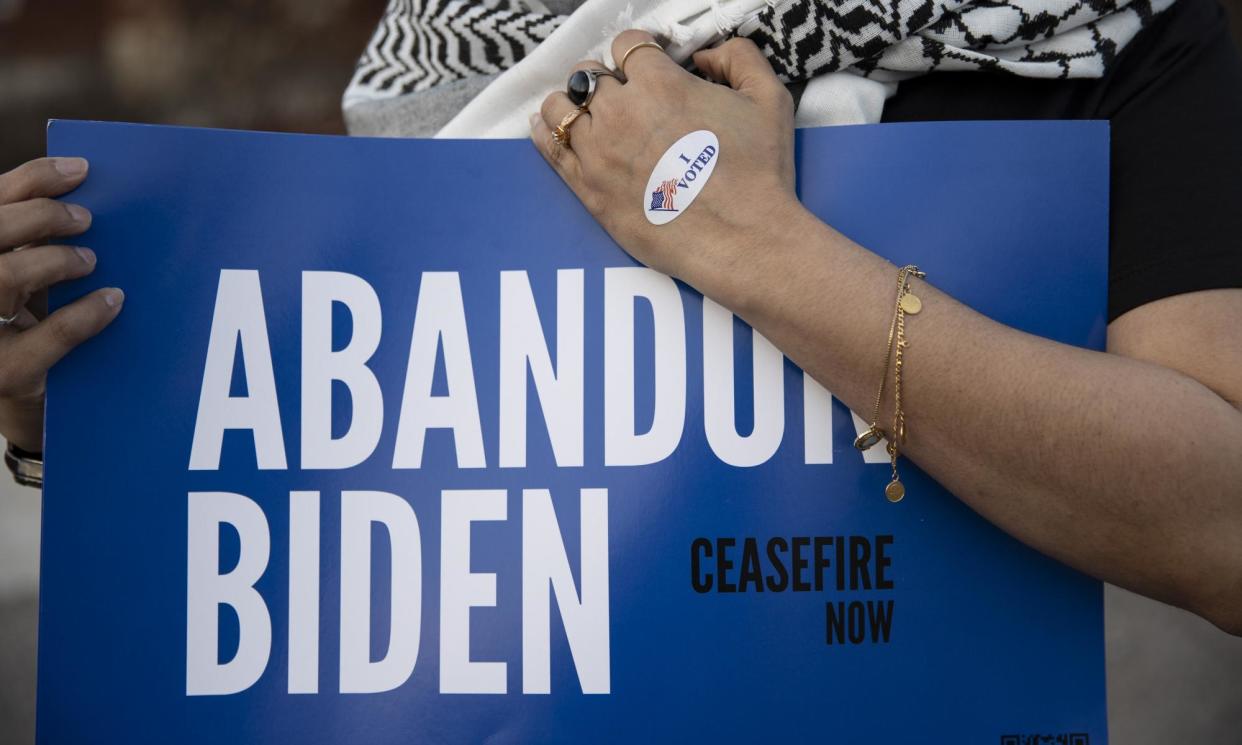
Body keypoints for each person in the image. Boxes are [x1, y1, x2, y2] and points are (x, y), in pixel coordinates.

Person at [1, 0, 1240, 637]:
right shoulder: (445, 60)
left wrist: (755, 246)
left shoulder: (1095, 28)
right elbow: (374, 519)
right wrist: (77, 415)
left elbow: (1223, 525)